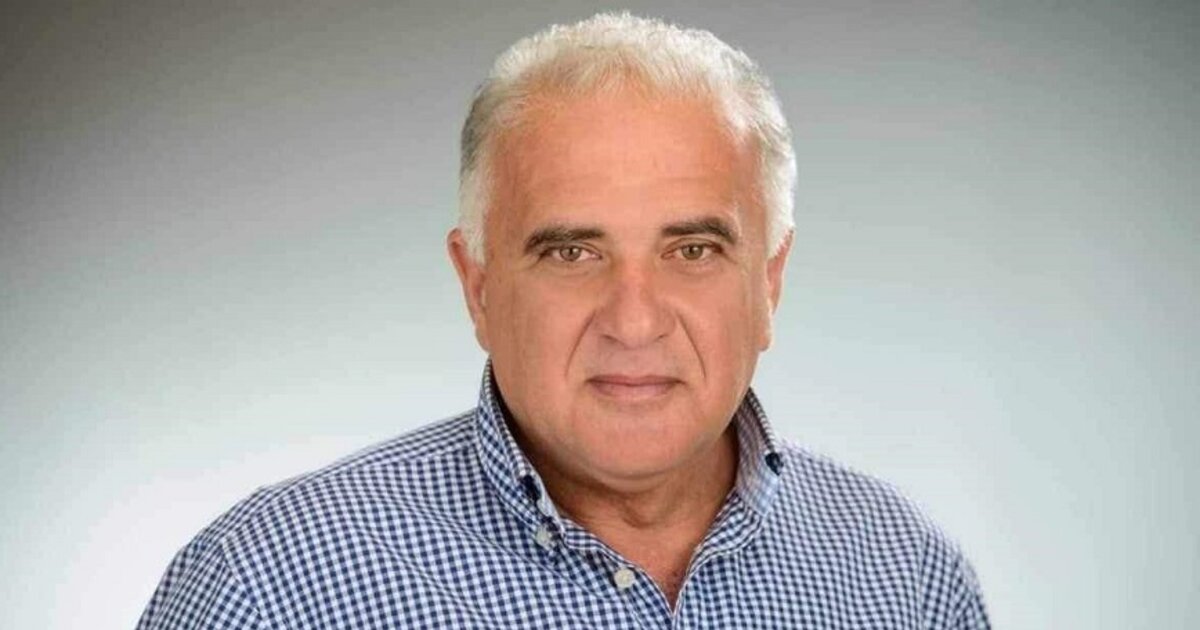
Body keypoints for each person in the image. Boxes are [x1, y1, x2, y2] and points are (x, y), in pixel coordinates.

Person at [139, 12, 989, 629]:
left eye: (692, 250)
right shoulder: (268, 588)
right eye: (572, 253)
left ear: (770, 282)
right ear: (476, 286)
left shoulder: (908, 578)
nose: (635, 320)